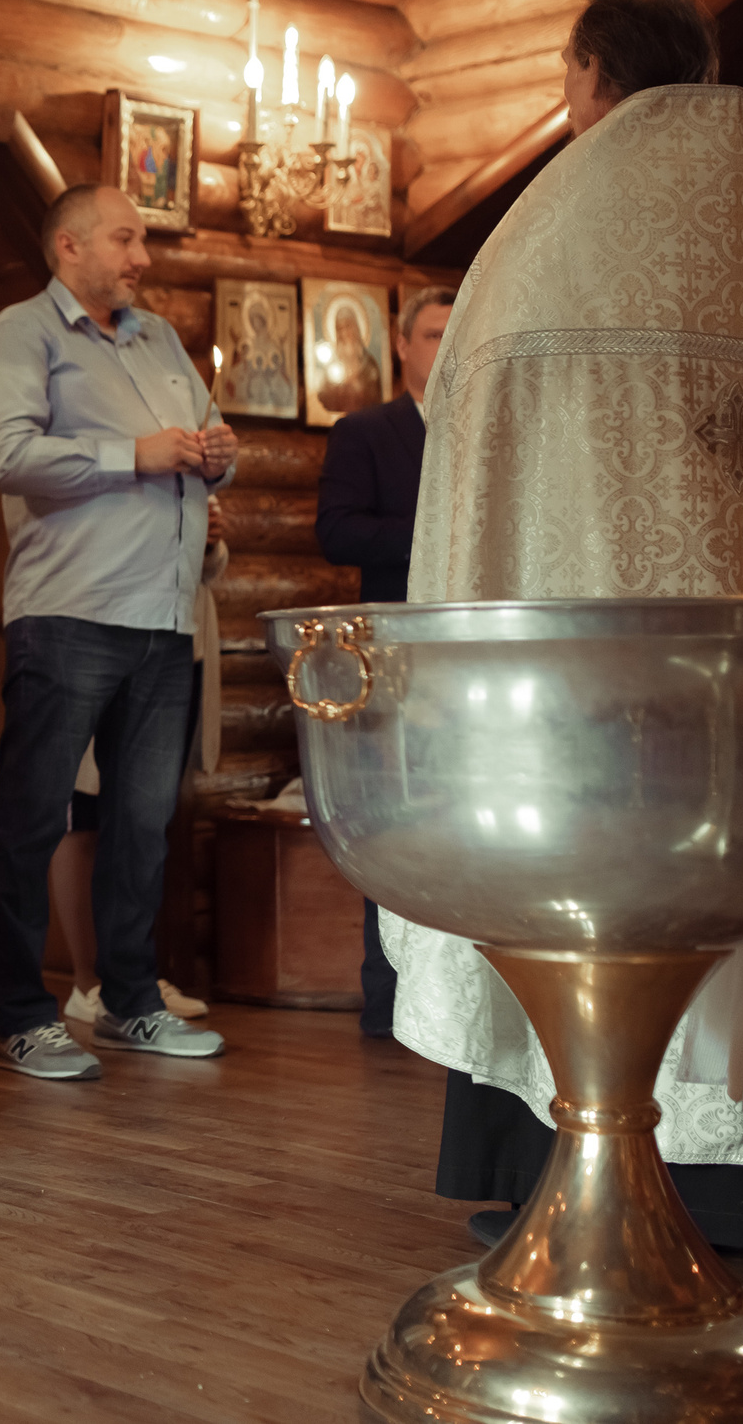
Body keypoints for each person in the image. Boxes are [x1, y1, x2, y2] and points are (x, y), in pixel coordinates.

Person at [399, 0, 743, 1251]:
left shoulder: (541, 235)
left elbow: (478, 453)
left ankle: (569, 1178)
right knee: (736, 882)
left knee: (592, 878)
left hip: (583, 663)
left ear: (589, 80)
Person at [0, 183, 236, 1081]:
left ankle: (129, 1002)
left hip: (164, 615)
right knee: (33, 815)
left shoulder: (159, 339)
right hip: (72, 611)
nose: (143, 258)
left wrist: (213, 458)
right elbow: (4, 454)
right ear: (68, 247)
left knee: (141, 823)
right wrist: (137, 455)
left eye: (143, 241)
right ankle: (21, 1014)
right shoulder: (23, 333)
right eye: (126, 239)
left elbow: (197, 434)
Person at [315, 285, 454, 1040]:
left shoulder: (488, 431)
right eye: (434, 334)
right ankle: (389, 1001)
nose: (446, 348)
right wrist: (438, 532)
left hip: (469, 657)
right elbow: (337, 532)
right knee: (393, 819)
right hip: (395, 652)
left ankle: (458, 1002)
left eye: (457, 335)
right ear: (402, 345)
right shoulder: (366, 432)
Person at [55, 494, 227, 1030]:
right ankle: (88, 983)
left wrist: (210, 534)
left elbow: (209, 567)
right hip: (100, 624)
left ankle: (132, 974)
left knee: (145, 814)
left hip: (180, 634)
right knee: (84, 810)